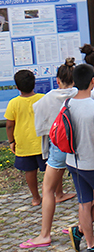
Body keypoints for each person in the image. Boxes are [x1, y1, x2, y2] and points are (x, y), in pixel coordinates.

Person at [19, 60, 78, 249]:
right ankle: (83, 226)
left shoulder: (47, 98)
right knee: (87, 190)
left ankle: (44, 234)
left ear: (58, 80)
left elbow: (42, 127)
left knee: (48, 190)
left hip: (59, 148)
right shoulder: (83, 94)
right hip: (82, 148)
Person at [65, 63, 94, 252]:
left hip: (72, 159)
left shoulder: (67, 103)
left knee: (84, 201)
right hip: (91, 162)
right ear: (93, 81)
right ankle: (81, 231)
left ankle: (90, 243)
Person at [5, 69, 45, 206]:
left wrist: (11, 141)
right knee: (51, 169)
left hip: (23, 143)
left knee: (30, 171)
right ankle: (55, 193)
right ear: (34, 84)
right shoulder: (42, 99)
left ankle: (35, 197)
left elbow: (9, 125)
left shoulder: (13, 103)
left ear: (17, 87)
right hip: (42, 141)